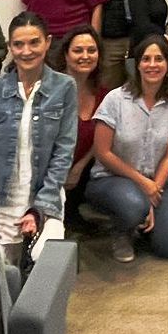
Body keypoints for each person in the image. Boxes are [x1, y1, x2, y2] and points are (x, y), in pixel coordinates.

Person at [0, 11, 79, 259]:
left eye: (34, 42)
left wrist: (39, 209)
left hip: (44, 195)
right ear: (10, 47)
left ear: (48, 42)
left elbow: (63, 153)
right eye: (18, 44)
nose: (26, 51)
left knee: (44, 260)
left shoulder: (65, 87)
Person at [87, 34, 168, 261]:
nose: (152, 65)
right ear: (136, 64)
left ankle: (141, 223)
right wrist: (143, 186)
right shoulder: (116, 99)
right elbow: (103, 152)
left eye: (159, 59)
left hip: (155, 181)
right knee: (134, 205)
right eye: (146, 59)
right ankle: (122, 230)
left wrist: (153, 191)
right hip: (110, 180)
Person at [55, 26, 105, 209]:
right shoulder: (51, 91)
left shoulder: (104, 95)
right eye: (78, 50)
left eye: (91, 50)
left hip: (84, 171)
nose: (85, 56)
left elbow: (101, 140)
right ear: (66, 55)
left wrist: (79, 167)